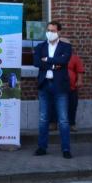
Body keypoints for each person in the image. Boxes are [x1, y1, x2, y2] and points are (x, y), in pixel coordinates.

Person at [33, 21, 73, 159]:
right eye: (49, 30)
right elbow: (36, 62)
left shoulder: (66, 46)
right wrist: (53, 64)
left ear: (59, 32)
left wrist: (47, 60)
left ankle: (66, 148)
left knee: (63, 119)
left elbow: (64, 61)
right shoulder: (40, 46)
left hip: (59, 86)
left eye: (53, 30)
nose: (50, 33)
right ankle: (42, 147)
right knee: (43, 118)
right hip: (44, 85)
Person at [64, 38, 85, 131]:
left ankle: (71, 124)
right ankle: (53, 123)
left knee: (72, 105)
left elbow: (79, 71)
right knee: (54, 105)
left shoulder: (74, 57)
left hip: (71, 87)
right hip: (57, 86)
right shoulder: (55, 56)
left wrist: (79, 81)